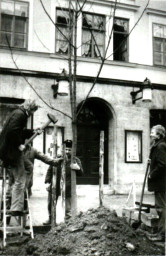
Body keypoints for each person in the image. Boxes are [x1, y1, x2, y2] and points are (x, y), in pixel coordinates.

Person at [0, 99, 39, 216]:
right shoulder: (21, 115)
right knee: (20, 179)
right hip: (11, 152)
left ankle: (21, 192)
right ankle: (16, 208)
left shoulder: (17, 113)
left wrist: (33, 131)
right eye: (33, 111)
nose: (33, 113)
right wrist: (19, 144)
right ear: (29, 108)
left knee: (29, 166)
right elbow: (13, 132)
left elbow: (20, 132)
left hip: (10, 150)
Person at [43, 140, 83, 225]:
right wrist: (47, 180)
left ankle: (68, 221)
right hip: (55, 184)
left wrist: (77, 168)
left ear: (73, 150)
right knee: (51, 203)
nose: (67, 151)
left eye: (69, 149)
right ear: (62, 149)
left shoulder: (75, 160)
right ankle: (51, 219)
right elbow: (50, 169)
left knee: (68, 206)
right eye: (66, 149)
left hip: (68, 185)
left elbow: (81, 173)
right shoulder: (58, 158)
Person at [147, 125, 166, 242]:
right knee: (160, 207)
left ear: (159, 134)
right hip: (160, 183)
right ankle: (161, 233)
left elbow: (163, 164)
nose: (150, 134)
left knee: (161, 208)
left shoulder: (160, 146)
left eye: (152, 132)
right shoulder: (158, 145)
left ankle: (162, 235)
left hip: (161, 183)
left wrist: (151, 174)